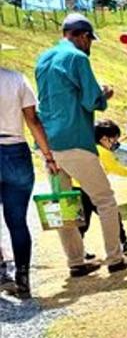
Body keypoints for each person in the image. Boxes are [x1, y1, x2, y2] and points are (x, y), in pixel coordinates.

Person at [34, 13, 127, 277]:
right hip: (75, 140)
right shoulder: (77, 58)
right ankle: (115, 258)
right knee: (105, 200)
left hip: (49, 145)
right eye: (90, 40)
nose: (89, 45)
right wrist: (105, 94)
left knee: (64, 204)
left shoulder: (43, 59)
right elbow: (91, 100)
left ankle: (76, 263)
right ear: (82, 36)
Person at [0, 48, 61, 300]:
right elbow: (33, 121)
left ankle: (1, 272)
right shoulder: (17, 79)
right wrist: (48, 156)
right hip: (15, 149)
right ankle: (23, 279)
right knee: (17, 222)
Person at [77, 119, 127, 257]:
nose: (115, 143)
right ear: (104, 138)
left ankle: (79, 251)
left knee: (82, 223)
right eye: (114, 139)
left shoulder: (88, 148)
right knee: (112, 217)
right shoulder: (103, 152)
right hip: (92, 190)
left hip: (78, 189)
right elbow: (121, 171)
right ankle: (124, 245)